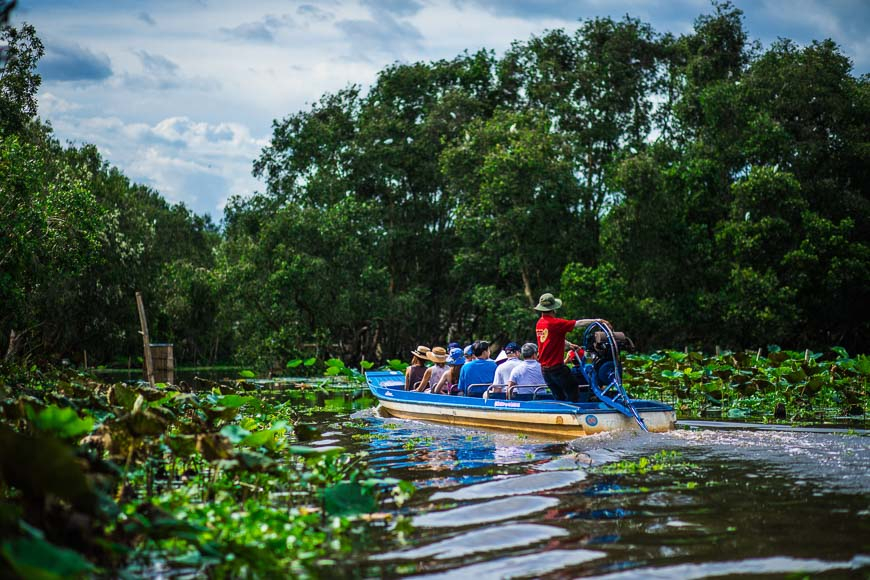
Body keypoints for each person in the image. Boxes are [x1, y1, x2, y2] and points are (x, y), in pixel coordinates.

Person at [534, 292, 609, 401]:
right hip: (557, 369)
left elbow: (550, 339)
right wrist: (598, 321)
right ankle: (575, 414)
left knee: (559, 397)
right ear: (553, 309)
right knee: (573, 388)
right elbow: (579, 323)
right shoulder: (555, 323)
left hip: (545, 370)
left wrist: (569, 345)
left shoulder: (539, 323)